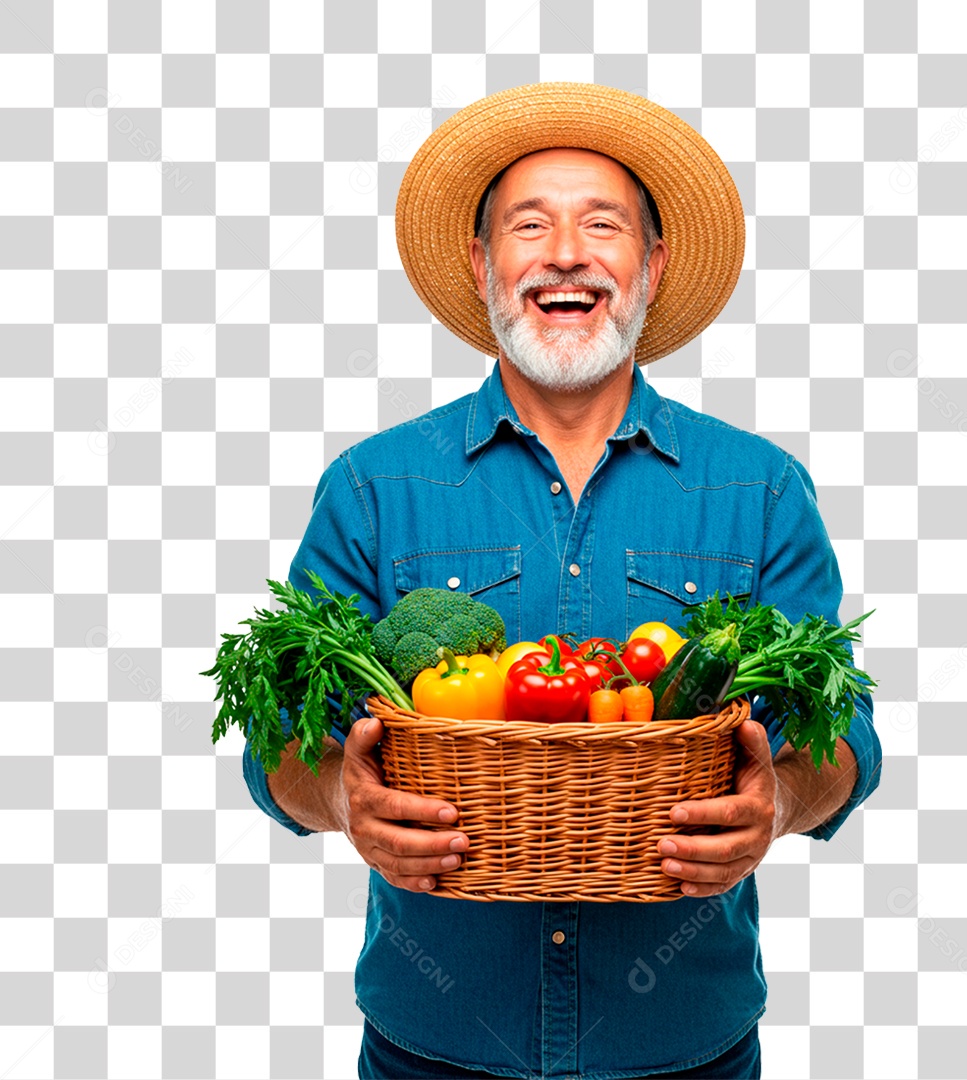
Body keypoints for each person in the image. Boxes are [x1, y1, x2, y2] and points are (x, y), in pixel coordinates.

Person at [241, 83, 882, 1080]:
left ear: (653, 264)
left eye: (604, 225)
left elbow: (838, 743)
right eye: (529, 225)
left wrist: (778, 805)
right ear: (483, 263)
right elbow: (282, 739)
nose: (567, 253)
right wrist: (340, 797)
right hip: (431, 1050)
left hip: (684, 1052)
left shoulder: (759, 491)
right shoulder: (373, 489)